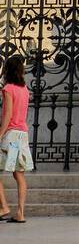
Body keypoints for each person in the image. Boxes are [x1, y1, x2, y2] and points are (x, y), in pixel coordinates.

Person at [0, 53, 33, 221]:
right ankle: (20, 213)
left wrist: (0, 134)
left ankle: (4, 207)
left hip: (11, 135)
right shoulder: (24, 89)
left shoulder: (8, 89)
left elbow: (7, 115)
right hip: (22, 134)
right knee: (19, 175)